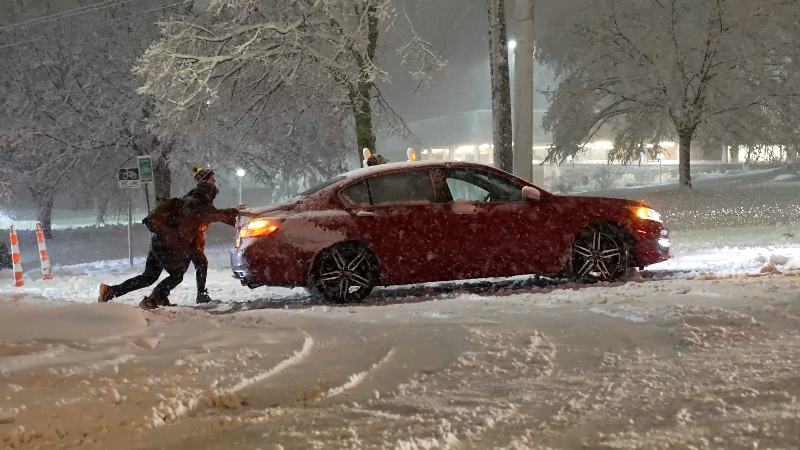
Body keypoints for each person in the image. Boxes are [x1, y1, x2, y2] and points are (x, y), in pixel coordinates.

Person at [98, 167, 244, 309]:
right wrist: (235, 213)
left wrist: (235, 216)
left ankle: (111, 291)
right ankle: (153, 299)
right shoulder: (198, 206)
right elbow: (216, 215)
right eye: (212, 194)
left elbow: (215, 215)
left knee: (149, 276)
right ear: (207, 193)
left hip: (159, 240)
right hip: (167, 244)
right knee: (177, 274)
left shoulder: (189, 200)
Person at [184, 167, 244, 304]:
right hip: (190, 236)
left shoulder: (198, 194)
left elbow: (212, 214)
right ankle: (200, 295)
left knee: (183, 269)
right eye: (212, 177)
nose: (215, 180)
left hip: (188, 235)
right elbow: (211, 214)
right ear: (207, 179)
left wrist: (232, 218)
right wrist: (233, 213)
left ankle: (161, 294)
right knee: (199, 264)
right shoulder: (204, 192)